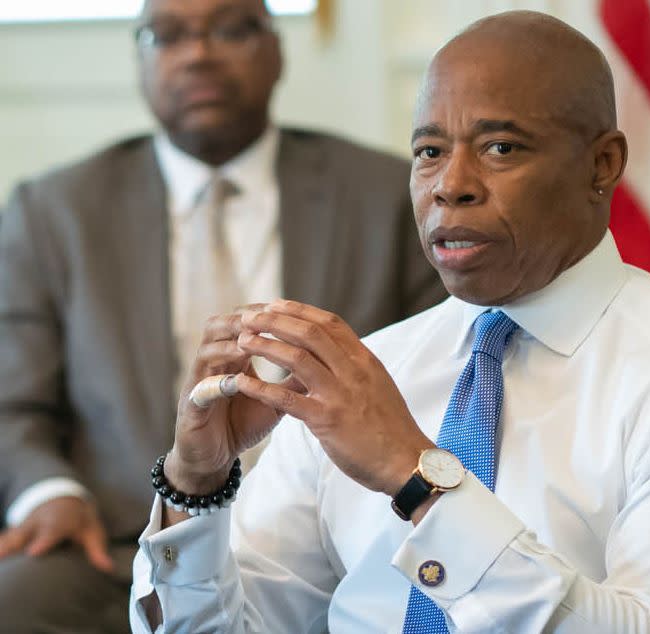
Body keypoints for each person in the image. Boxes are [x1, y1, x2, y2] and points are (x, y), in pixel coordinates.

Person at [129, 10, 650, 633]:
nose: (450, 184)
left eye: (501, 148)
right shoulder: (367, 373)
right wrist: (197, 485)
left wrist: (414, 478)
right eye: (428, 152)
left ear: (602, 165)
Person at [0, 0, 445, 631]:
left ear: (277, 49)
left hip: (333, 536)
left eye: (230, 28)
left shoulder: (384, 196)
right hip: (124, 537)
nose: (198, 53)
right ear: (139, 57)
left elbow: (443, 373)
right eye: (167, 35)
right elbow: (12, 402)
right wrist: (51, 493)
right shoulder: (55, 212)